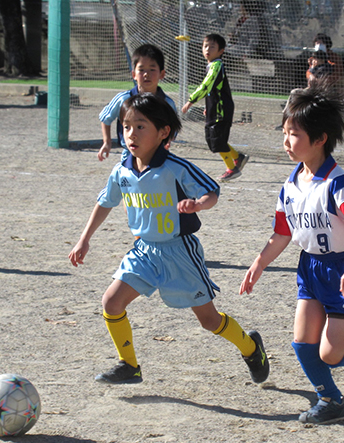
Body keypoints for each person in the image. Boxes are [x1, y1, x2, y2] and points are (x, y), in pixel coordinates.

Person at [69, 93, 269, 385]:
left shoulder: (175, 167)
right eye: (126, 127)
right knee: (111, 302)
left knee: (209, 321)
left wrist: (198, 204)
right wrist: (84, 238)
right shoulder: (122, 170)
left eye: (140, 126)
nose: (130, 134)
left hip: (180, 252)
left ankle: (251, 349)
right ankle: (129, 366)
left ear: (163, 133)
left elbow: (212, 192)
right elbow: (105, 202)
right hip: (144, 251)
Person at [239, 84, 344, 424]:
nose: (286, 141)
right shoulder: (291, 185)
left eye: (294, 135)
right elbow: (283, 232)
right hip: (310, 268)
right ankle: (331, 400)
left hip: (342, 270)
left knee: (332, 356)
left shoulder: (337, 184)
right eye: (284, 133)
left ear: (319, 139)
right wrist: (259, 262)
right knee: (303, 343)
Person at [182, 33, 248, 182]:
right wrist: (209, 106)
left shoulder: (217, 65)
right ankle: (238, 157)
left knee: (216, 139)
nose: (208, 49)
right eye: (205, 46)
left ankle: (232, 169)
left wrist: (191, 101)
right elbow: (214, 91)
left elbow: (207, 85)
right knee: (216, 138)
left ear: (221, 51)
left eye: (212, 47)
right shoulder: (212, 65)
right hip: (217, 108)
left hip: (222, 109)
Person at [97, 44, 177, 162]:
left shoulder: (167, 103)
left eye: (152, 69)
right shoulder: (123, 99)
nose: (146, 74)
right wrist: (107, 142)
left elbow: (173, 127)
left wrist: (168, 141)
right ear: (134, 74)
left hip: (158, 153)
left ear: (162, 74)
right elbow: (105, 118)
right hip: (130, 154)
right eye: (141, 69)